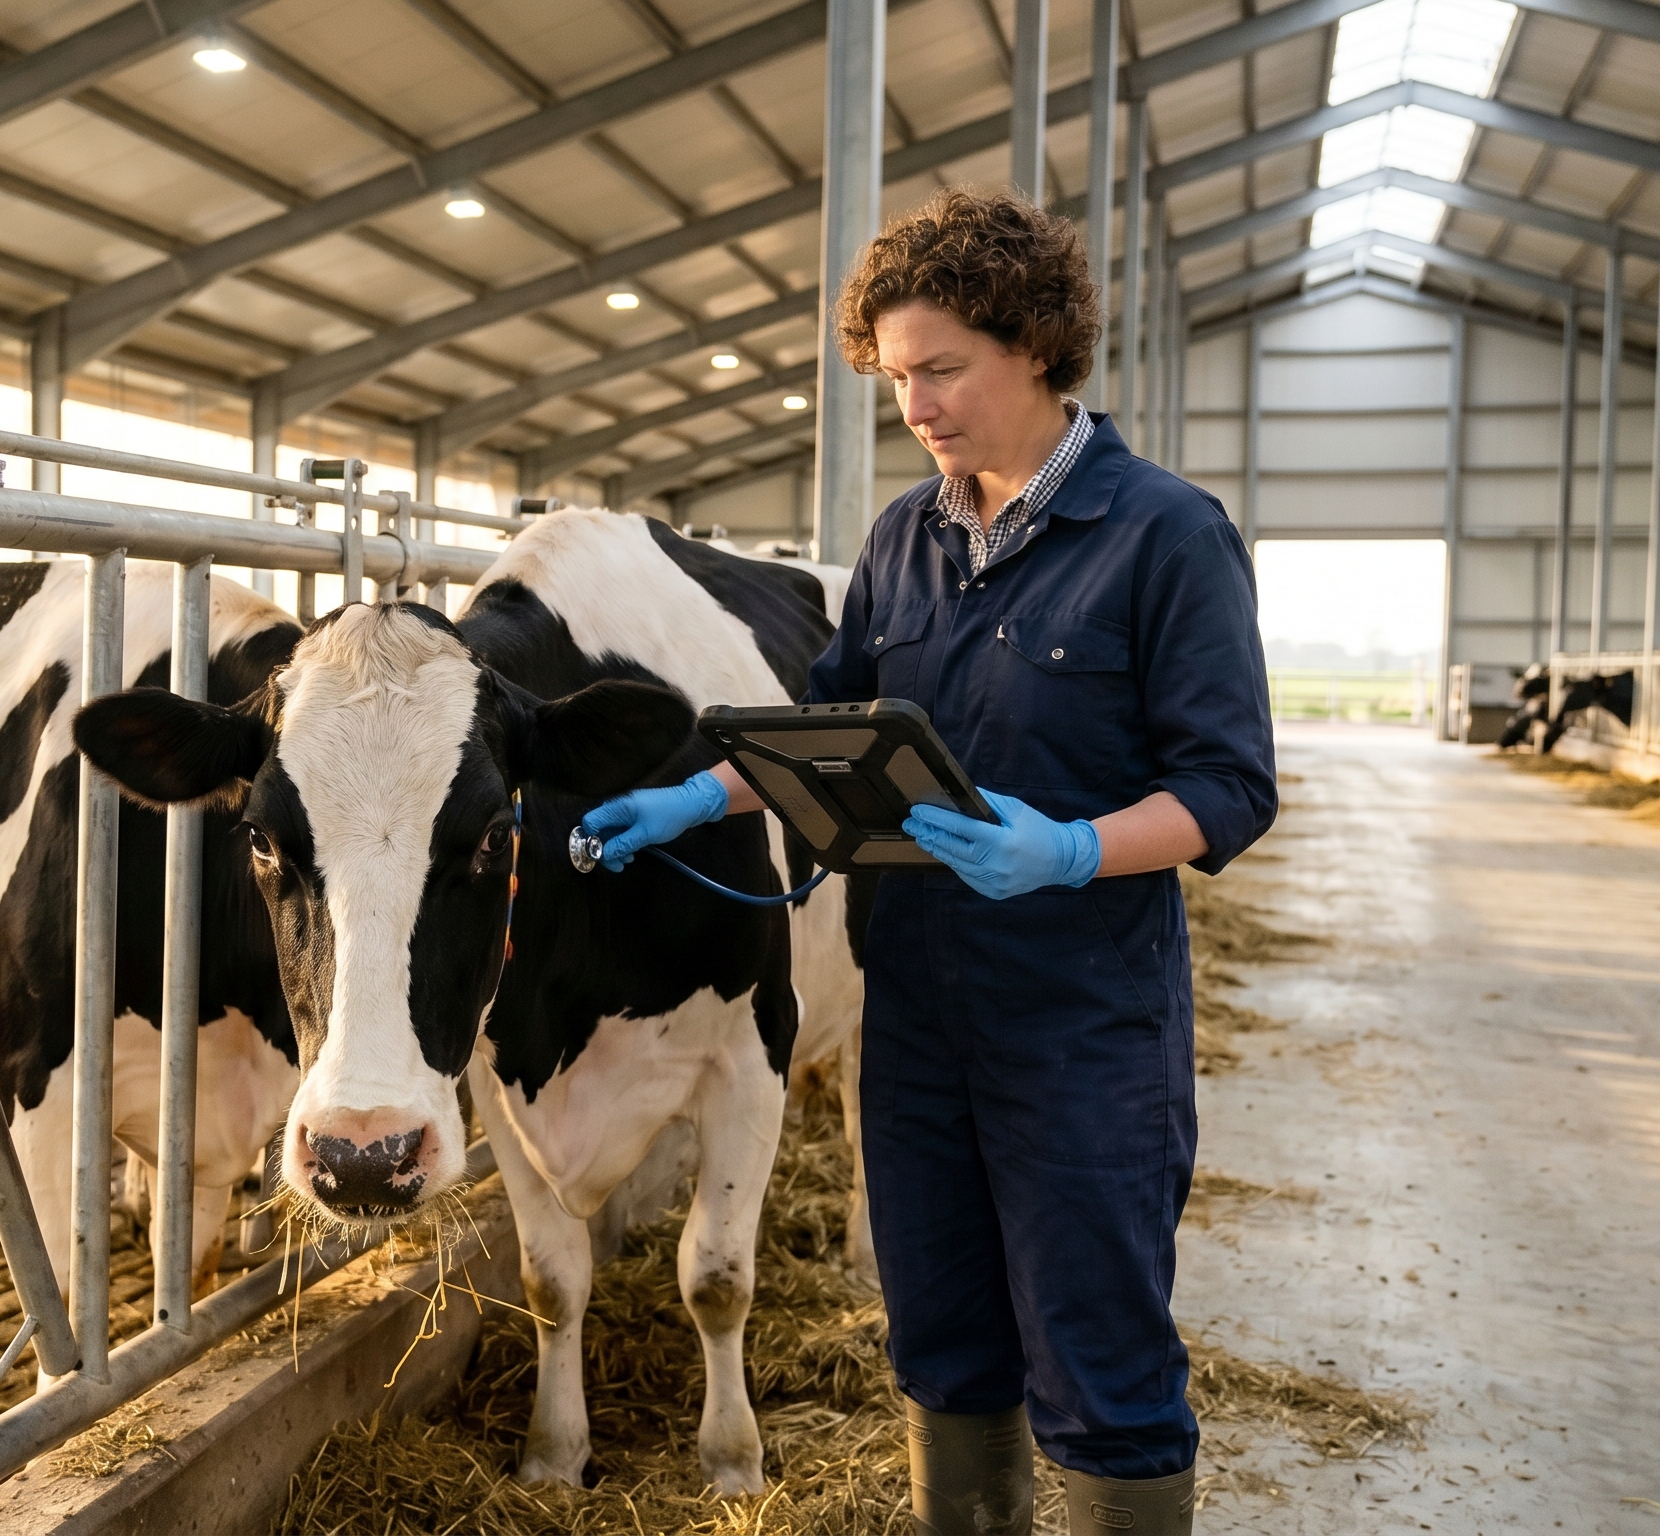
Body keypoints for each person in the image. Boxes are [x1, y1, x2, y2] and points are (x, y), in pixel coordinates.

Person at [582, 186, 1276, 1536]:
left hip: (1084, 1030)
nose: (918, 405)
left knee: (1100, 1366)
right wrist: (695, 796)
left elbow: (1229, 788)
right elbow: (832, 731)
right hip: (912, 1021)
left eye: (942, 369)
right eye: (897, 378)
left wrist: (1075, 849)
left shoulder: (1164, 536)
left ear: (1033, 343)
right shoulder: (906, 537)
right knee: (943, 1342)